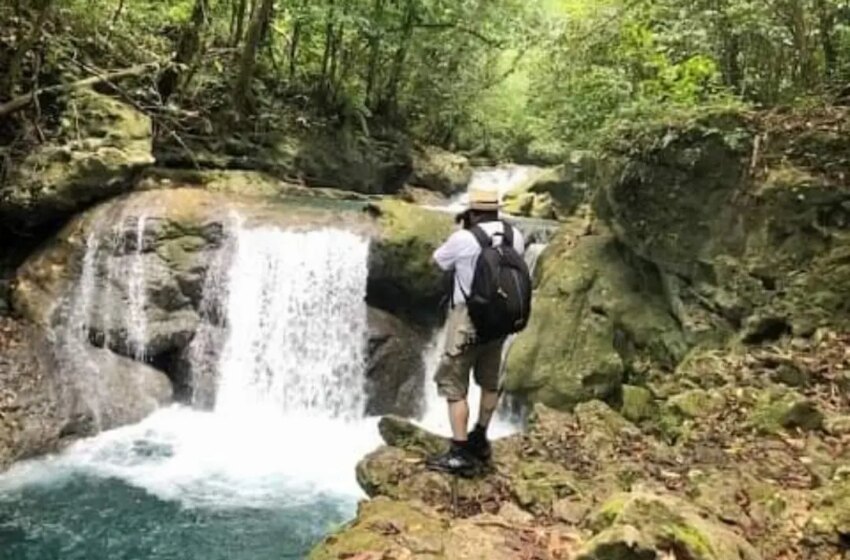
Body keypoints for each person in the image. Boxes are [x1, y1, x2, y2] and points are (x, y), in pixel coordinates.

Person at [426, 188, 525, 476]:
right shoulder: (515, 236)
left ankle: (459, 452)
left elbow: (438, 261)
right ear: (497, 210)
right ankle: (480, 438)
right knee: (489, 381)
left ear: (472, 212)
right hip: (501, 319)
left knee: (454, 383)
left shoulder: (463, 238)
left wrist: (463, 232)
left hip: (467, 319)